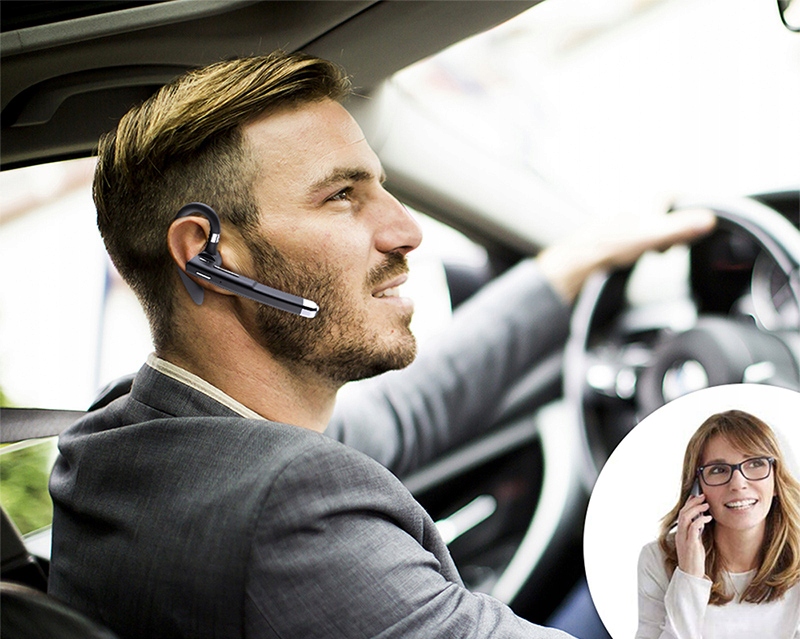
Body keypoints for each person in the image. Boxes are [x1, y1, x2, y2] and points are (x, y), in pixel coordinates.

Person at [48, 51, 715, 638]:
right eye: (342, 195)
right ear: (207, 255)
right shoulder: (288, 513)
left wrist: (574, 262)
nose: (407, 231)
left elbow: (410, 408)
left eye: (382, 187)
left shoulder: (127, 436)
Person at [637, 410, 800, 639]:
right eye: (718, 470)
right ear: (697, 489)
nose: (738, 484)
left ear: (776, 480)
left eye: (755, 463)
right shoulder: (657, 559)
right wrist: (689, 576)